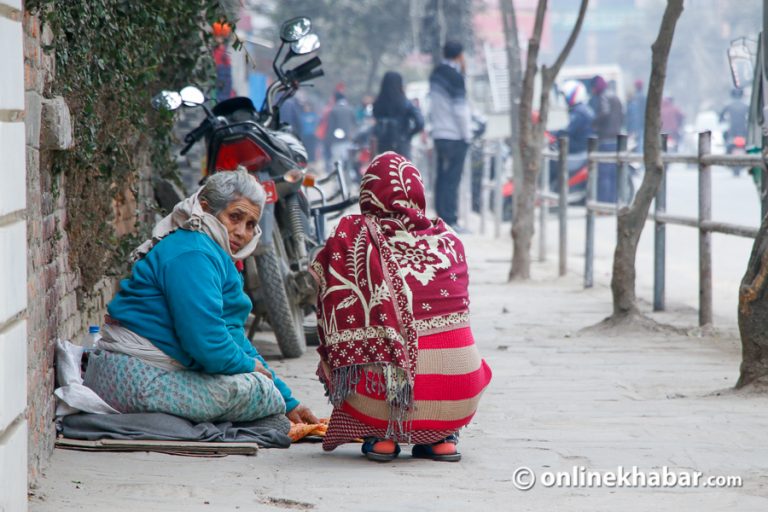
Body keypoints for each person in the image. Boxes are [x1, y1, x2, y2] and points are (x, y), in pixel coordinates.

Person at [84, 170, 318, 425]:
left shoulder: (211, 252)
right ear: (207, 210)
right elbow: (206, 343)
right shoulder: (193, 253)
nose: (241, 232)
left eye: (251, 225)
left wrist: (289, 401)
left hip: (137, 372)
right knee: (257, 392)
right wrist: (252, 371)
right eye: (235, 217)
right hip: (129, 377)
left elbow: (233, 336)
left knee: (265, 388)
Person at [310, 152, 492, 462]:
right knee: (466, 359)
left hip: (378, 399)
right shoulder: (450, 239)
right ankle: (441, 438)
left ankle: (381, 436)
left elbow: (325, 303)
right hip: (460, 396)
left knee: (333, 354)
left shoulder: (351, 234)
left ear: (368, 194)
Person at [429, 40, 472, 233]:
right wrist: (467, 135)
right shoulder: (455, 76)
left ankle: (440, 217)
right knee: (453, 179)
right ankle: (450, 220)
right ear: (459, 55)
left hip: (439, 133)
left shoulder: (436, 73)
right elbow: (460, 110)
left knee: (441, 177)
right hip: (455, 135)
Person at [372, 71, 424, 159]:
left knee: (386, 169)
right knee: (402, 169)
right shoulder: (405, 103)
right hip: (401, 144)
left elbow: (375, 124)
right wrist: (409, 135)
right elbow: (420, 122)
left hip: (383, 145)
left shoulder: (378, 104)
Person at [589, 75, 624, 203]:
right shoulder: (615, 96)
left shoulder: (603, 96)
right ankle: (613, 202)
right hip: (616, 139)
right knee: (613, 174)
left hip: (605, 139)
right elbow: (622, 116)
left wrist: (594, 124)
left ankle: (603, 205)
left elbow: (604, 112)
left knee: (604, 174)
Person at [326, 90, 358, 174]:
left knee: (336, 162)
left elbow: (330, 128)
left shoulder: (334, 110)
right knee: (347, 162)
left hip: (336, 141)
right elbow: (355, 125)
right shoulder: (350, 109)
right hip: (348, 140)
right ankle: (348, 182)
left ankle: (338, 182)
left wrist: (328, 141)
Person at [625, 79, 646, 150]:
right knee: (640, 143)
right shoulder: (644, 97)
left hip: (635, 126)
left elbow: (630, 115)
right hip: (642, 124)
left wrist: (629, 128)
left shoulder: (634, 98)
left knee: (635, 144)